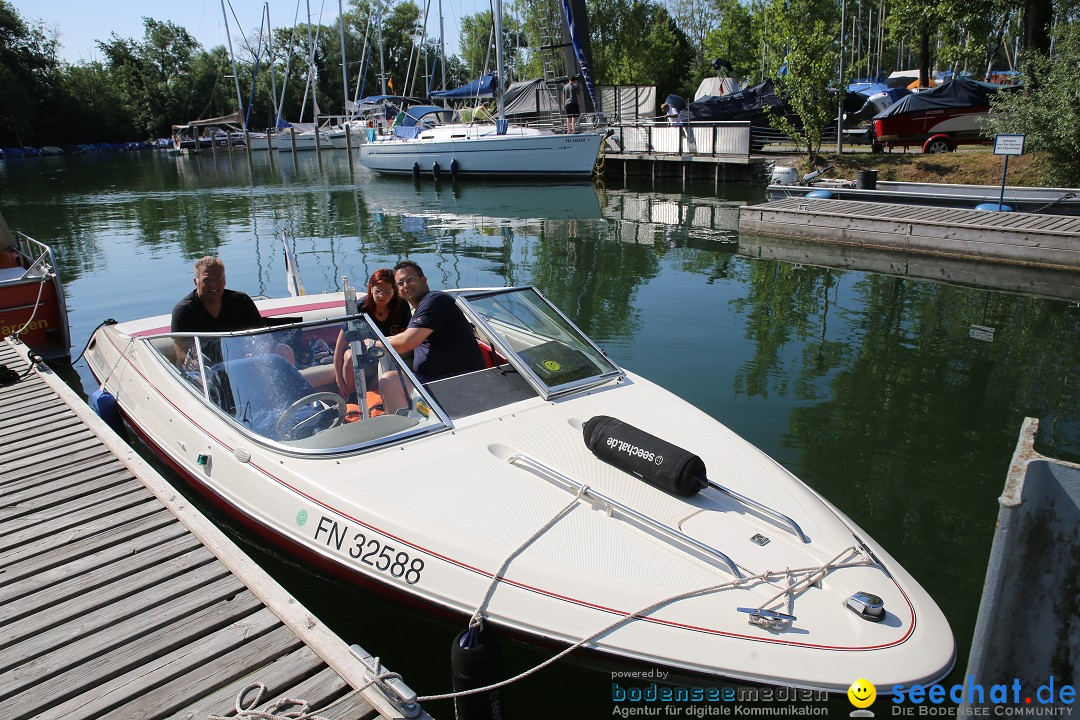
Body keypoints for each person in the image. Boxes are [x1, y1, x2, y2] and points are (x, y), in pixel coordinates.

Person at [171, 256, 288, 366]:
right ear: (196, 282)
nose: (213, 284)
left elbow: (262, 337)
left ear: (224, 280)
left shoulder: (241, 301)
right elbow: (182, 353)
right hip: (207, 371)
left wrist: (257, 353)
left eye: (218, 278)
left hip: (244, 362)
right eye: (207, 280)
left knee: (283, 350)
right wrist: (206, 369)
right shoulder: (183, 311)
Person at [386, 260, 484, 384]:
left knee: (390, 380)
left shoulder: (436, 300)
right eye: (400, 283)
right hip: (433, 379)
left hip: (458, 378)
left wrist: (373, 345)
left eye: (410, 279)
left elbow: (407, 342)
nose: (405, 285)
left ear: (424, 280)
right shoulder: (420, 311)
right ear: (398, 290)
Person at [333, 268, 412, 399]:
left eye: (387, 292)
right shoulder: (359, 308)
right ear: (370, 288)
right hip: (363, 352)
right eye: (378, 291)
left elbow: (406, 338)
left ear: (394, 291)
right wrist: (338, 379)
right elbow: (340, 346)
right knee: (349, 356)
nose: (381, 296)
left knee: (386, 372)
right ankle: (353, 399)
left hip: (389, 353)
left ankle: (372, 400)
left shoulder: (401, 306)